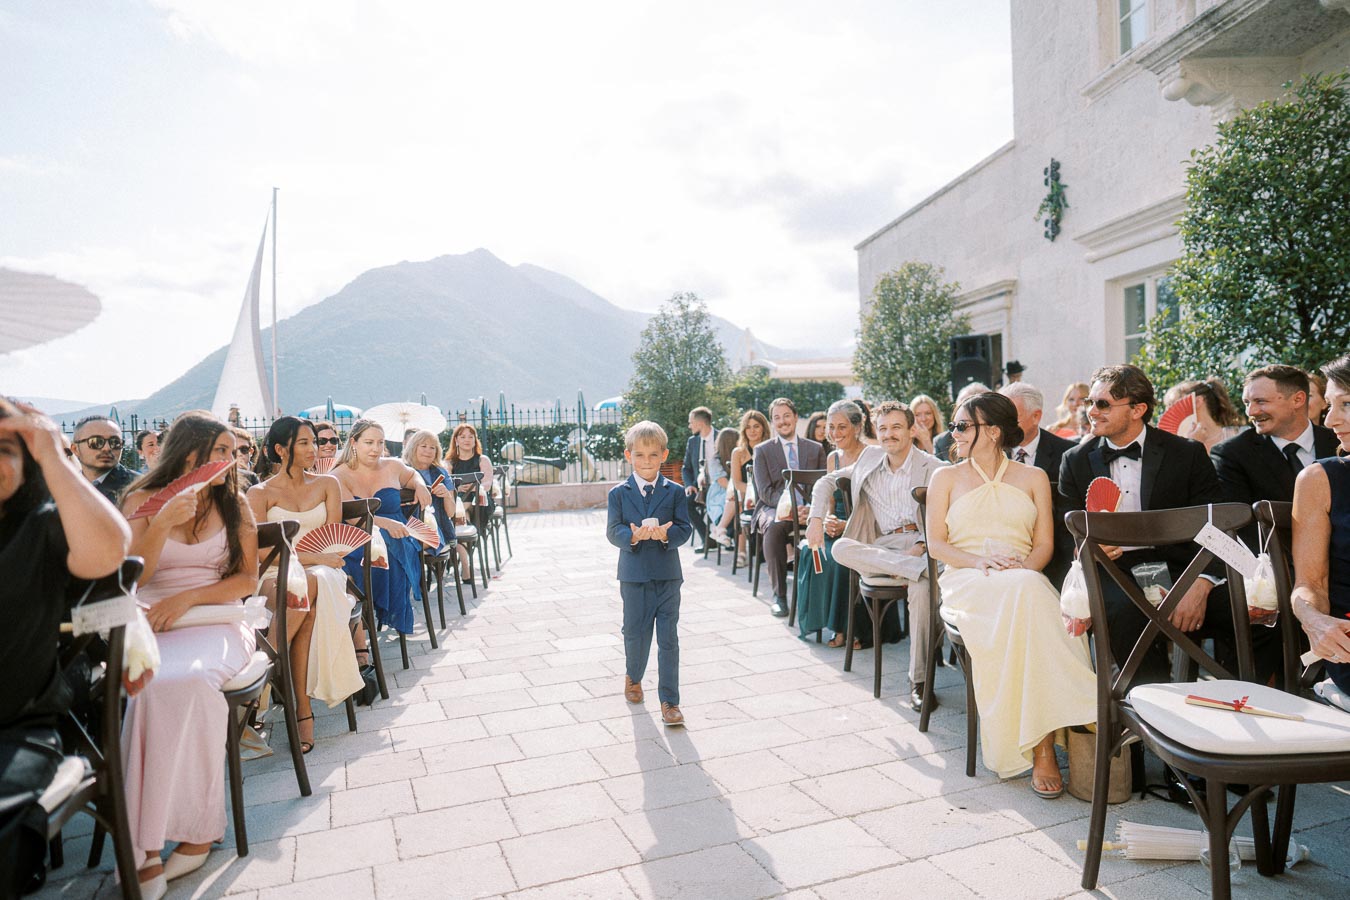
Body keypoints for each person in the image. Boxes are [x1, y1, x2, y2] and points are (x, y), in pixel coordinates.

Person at [1059, 365, 1279, 685]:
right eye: (1090, 403)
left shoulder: (1185, 454)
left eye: (1102, 404)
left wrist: (1203, 581)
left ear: (1138, 409)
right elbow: (1066, 536)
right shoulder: (1075, 460)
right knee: (1126, 613)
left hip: (1185, 568)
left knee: (1261, 609)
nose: (1091, 411)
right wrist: (1085, 547)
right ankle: (1151, 718)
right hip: (1115, 575)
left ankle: (1233, 698)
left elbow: (1217, 524)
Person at [925, 392, 1096, 795]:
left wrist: (1022, 570)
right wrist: (977, 562)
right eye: (955, 425)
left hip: (1023, 577)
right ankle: (1060, 730)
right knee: (1031, 601)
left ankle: (1042, 746)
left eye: (963, 425)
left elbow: (1043, 548)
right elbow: (937, 545)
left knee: (1028, 593)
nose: (955, 433)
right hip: (968, 580)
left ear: (994, 431)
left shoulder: (1033, 477)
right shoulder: (944, 477)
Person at [119, 411, 261, 892]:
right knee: (148, 687)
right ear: (187, 451)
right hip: (152, 621)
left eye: (231, 451)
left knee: (190, 682)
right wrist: (160, 525)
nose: (228, 459)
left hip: (215, 620)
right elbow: (130, 580)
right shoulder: (139, 500)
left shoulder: (235, 502)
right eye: (217, 450)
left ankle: (197, 836)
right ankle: (143, 848)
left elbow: (246, 581)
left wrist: (188, 598)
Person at [0, 399, 130, 896]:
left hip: (16, 730)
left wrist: (53, 454)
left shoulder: (41, 524)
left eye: (6, 449)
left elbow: (109, 552)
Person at [806, 401, 943, 710]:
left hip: (922, 546)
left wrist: (922, 545)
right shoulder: (869, 457)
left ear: (911, 430)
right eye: (883, 428)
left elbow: (949, 513)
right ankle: (916, 570)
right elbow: (825, 481)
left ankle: (919, 682)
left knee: (922, 592)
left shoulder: (933, 466)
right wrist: (815, 519)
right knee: (841, 547)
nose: (889, 434)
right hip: (883, 549)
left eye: (896, 427)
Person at [247, 417, 363, 749]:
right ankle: (302, 710)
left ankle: (266, 669)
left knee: (311, 587)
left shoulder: (328, 484)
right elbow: (264, 555)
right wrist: (312, 560)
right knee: (307, 593)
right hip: (276, 574)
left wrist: (316, 561)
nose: (314, 448)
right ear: (281, 449)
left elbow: (332, 543)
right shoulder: (260, 493)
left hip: (323, 573)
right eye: (304, 443)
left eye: (315, 441)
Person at [606, 421, 693, 727]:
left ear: (663, 455)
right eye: (640, 455)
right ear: (629, 455)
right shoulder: (618, 494)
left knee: (668, 638)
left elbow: (685, 529)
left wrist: (667, 535)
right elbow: (612, 531)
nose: (646, 461)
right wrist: (632, 536)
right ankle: (634, 676)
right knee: (635, 632)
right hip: (634, 576)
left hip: (668, 575)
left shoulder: (676, 492)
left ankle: (670, 701)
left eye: (653, 455)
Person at [1212, 365, 1339, 551]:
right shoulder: (1232, 455)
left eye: (1260, 401)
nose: (1251, 412)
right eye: (1247, 403)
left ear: (1297, 399)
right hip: (1280, 569)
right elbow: (1242, 530)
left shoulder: (1339, 442)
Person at [335, 419, 431, 637]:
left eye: (380, 442)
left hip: (398, 537)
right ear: (354, 443)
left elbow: (412, 474)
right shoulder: (339, 475)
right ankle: (363, 615)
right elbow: (352, 519)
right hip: (359, 537)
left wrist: (420, 485)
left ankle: (377, 615)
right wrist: (384, 522)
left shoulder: (393, 465)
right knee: (363, 560)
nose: (376, 449)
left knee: (393, 551)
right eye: (369, 442)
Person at [1292, 355, 1350, 696]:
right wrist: (1314, 620)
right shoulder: (1318, 479)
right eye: (1329, 405)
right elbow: (1309, 584)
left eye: (1347, 404)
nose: (1331, 420)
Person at [795, 400, 868, 644]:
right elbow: (828, 502)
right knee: (813, 552)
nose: (835, 434)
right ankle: (823, 621)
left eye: (842, 427)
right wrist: (827, 519)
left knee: (840, 558)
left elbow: (876, 508)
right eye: (831, 428)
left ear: (857, 427)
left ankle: (847, 629)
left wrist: (846, 526)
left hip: (863, 527)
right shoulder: (832, 458)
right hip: (834, 526)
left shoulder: (871, 455)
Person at [753, 398, 826, 618]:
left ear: (795, 417)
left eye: (786, 415)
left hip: (809, 509)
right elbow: (764, 491)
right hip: (773, 508)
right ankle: (780, 596)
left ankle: (818, 593)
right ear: (772, 422)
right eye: (777, 417)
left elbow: (823, 485)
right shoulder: (762, 450)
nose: (782, 421)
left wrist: (812, 510)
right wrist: (790, 509)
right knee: (774, 528)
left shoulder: (815, 449)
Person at [999, 382, 1076, 587]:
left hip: (1057, 554)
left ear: (1036, 416)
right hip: (1002, 552)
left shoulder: (1067, 455)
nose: (1003, 425)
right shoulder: (992, 452)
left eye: (1012, 418)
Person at [403, 429, 471, 581]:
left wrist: (446, 495)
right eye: (423, 446)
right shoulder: (402, 471)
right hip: (407, 526)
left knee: (402, 547)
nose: (428, 451)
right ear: (413, 447)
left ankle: (411, 583)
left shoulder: (440, 473)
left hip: (436, 529)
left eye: (432, 447)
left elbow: (451, 512)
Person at [730, 410, 770, 568]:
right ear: (743, 430)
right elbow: (736, 483)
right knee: (742, 504)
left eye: (756, 426)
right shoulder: (738, 452)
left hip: (767, 497)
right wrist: (752, 494)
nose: (752, 430)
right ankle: (741, 552)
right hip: (747, 495)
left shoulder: (770, 449)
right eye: (748, 427)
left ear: (763, 428)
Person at [1164, 377, 1244, 452]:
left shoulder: (1241, 436)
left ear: (1197, 401)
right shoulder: (1175, 447)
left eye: (1172, 405)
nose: (1168, 412)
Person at [71, 415, 137, 504]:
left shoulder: (138, 487)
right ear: (75, 449)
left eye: (115, 442)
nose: (107, 448)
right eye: (96, 442)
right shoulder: (62, 488)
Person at [446, 423, 495, 537]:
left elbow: (487, 484)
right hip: (458, 500)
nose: (467, 440)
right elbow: (447, 484)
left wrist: (475, 488)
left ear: (475, 440)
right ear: (456, 440)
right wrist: (457, 488)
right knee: (463, 509)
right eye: (462, 437)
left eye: (470, 436)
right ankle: (468, 538)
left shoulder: (482, 460)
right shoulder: (449, 463)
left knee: (465, 505)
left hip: (481, 501)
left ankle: (464, 537)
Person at [681, 407, 716, 548]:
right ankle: (708, 539)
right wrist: (689, 484)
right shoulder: (692, 441)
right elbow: (686, 468)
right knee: (685, 503)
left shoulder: (721, 437)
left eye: (691, 422)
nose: (689, 426)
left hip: (720, 485)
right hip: (700, 487)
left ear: (700, 423)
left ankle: (726, 535)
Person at [935, 382, 990, 462]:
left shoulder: (1006, 441)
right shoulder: (942, 442)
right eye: (959, 409)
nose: (954, 434)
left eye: (964, 424)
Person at [706, 428, 739, 548]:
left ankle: (720, 530)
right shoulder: (715, 460)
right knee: (733, 499)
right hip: (720, 493)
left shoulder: (739, 456)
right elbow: (722, 482)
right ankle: (721, 528)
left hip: (734, 489)